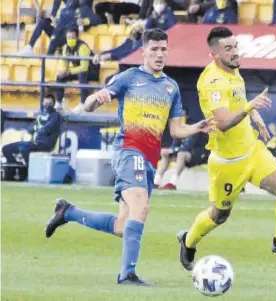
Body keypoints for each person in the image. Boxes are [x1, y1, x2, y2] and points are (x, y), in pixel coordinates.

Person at [45, 28, 215, 286]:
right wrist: (93, 100)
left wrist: (197, 127)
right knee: (141, 208)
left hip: (150, 158)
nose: (160, 54)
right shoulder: (129, 78)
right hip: (129, 150)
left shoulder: (171, 87)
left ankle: (67, 212)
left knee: (125, 226)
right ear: (144, 51)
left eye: (163, 49)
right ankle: (127, 275)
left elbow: (176, 130)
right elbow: (95, 99)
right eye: (154, 49)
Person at [177, 26, 276, 273]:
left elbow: (239, 102)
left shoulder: (234, 70)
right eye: (228, 48)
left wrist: (255, 115)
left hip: (253, 151)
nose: (235, 51)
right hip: (227, 162)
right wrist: (250, 107)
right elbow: (225, 123)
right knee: (219, 216)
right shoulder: (212, 82)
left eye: (236, 46)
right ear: (215, 54)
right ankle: (188, 241)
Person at [1, 94, 61, 167]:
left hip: (45, 145)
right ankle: (18, 168)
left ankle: (30, 170)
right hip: (33, 143)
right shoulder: (40, 115)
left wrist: (38, 127)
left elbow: (46, 130)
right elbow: (29, 130)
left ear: (54, 104)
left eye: (50, 104)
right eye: (46, 103)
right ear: (42, 103)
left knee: (23, 148)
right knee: (6, 149)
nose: (47, 105)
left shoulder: (56, 116)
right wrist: (36, 127)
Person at [55, 27, 100, 113]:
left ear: (77, 38)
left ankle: (83, 104)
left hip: (92, 72)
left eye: (73, 37)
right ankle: (59, 103)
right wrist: (64, 72)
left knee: (82, 73)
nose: (70, 40)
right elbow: (65, 64)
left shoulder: (82, 47)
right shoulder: (65, 48)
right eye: (68, 38)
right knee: (60, 76)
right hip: (78, 71)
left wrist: (69, 72)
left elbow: (84, 67)